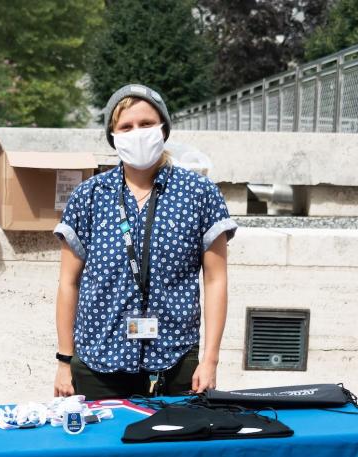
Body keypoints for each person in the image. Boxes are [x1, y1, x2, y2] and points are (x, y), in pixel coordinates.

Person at [53, 84, 235, 400]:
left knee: (173, 447)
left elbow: (216, 279)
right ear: (113, 136)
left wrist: (210, 359)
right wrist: (64, 361)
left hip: (176, 362)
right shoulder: (90, 196)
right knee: (101, 449)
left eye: (146, 124)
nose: (137, 133)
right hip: (98, 361)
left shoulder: (199, 194)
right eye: (126, 126)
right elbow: (69, 283)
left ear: (163, 128)